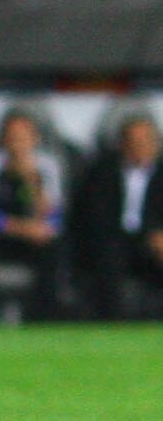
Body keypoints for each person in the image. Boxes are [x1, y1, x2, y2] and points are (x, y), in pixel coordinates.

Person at [0, 108, 66, 321]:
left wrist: (31, 179)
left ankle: (45, 317)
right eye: (12, 138)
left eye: (23, 138)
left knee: (54, 245)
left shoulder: (47, 166)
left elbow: (54, 216)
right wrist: (22, 229)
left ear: (35, 139)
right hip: (5, 234)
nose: (18, 144)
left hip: (34, 235)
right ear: (4, 140)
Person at [72, 112, 163, 320]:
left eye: (144, 141)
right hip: (114, 243)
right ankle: (115, 324)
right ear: (122, 145)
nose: (139, 147)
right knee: (109, 261)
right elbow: (92, 217)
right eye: (133, 142)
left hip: (154, 244)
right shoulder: (101, 173)